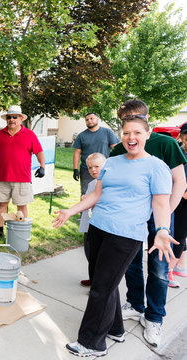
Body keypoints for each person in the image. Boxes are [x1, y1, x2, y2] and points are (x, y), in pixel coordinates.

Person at [52, 99, 177, 357]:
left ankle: (91, 344)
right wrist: (71, 210)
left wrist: (163, 229)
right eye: (126, 133)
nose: (131, 138)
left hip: (126, 236)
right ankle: (116, 329)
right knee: (103, 283)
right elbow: (96, 194)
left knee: (101, 289)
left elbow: (161, 203)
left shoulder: (156, 166)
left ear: (147, 134)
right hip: (98, 229)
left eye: (137, 133)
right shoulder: (113, 161)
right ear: (121, 136)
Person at [110, 112, 186, 347]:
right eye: (125, 125)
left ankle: (154, 317)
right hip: (130, 218)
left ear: (147, 123)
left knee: (159, 267)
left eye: (136, 125)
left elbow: (180, 182)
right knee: (130, 262)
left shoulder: (167, 144)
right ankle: (134, 303)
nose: (130, 133)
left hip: (160, 217)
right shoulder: (117, 150)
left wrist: (165, 219)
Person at [0, 105, 45, 239]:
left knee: (21, 206)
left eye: (15, 117)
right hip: (2, 177)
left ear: (21, 119)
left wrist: (42, 166)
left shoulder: (30, 135)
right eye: (9, 117)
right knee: (2, 205)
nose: (11, 119)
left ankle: (19, 232)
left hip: (22, 178)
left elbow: (39, 151)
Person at [78, 152, 106, 287]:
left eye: (97, 166)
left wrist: (87, 199)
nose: (93, 170)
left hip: (99, 226)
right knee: (89, 253)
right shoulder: (92, 183)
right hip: (88, 225)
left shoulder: (107, 183)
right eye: (90, 167)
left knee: (99, 257)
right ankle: (93, 277)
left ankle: (98, 284)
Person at [72, 113, 118, 195]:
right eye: (87, 120)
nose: (89, 121)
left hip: (104, 169)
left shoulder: (107, 132)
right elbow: (77, 153)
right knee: (85, 193)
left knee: (105, 193)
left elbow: (115, 150)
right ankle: (84, 208)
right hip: (87, 170)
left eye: (91, 118)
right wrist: (75, 169)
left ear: (98, 119)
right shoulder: (81, 136)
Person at [169, 123, 187, 283]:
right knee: (178, 236)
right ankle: (168, 271)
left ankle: (179, 266)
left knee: (182, 235)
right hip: (177, 200)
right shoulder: (178, 154)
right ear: (181, 137)